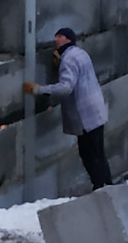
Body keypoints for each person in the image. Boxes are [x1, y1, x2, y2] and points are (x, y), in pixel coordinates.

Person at [25, 27, 111, 189]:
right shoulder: (80, 53)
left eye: (60, 36)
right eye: (56, 35)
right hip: (96, 111)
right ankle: (108, 186)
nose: (55, 39)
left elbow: (66, 87)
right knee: (99, 153)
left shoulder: (68, 59)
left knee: (88, 154)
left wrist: (39, 89)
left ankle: (100, 189)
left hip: (84, 114)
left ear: (68, 39)